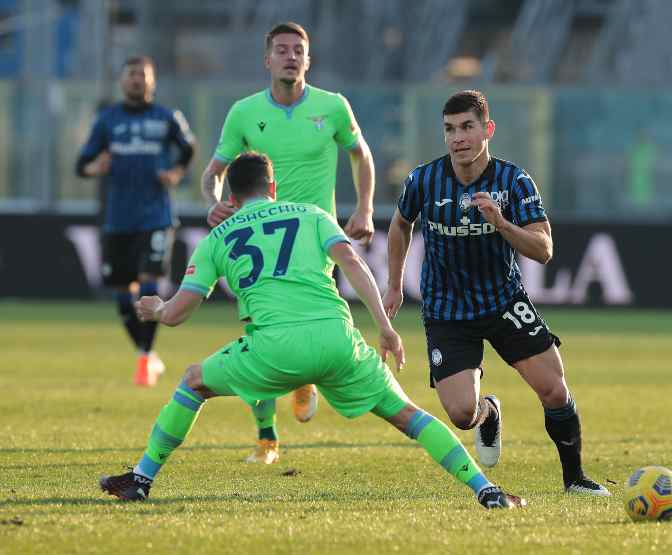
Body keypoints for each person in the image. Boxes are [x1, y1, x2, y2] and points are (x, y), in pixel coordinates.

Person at [99, 152, 525, 510]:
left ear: (231, 196)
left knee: (193, 381)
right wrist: (385, 328)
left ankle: (141, 478)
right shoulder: (311, 214)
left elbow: (177, 314)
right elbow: (354, 264)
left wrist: (156, 310)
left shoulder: (217, 237)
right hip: (338, 342)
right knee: (412, 417)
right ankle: (484, 490)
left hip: (273, 349)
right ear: (272, 188)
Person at [382, 90, 610, 496]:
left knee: (554, 390)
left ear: (487, 129)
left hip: (503, 301)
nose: (458, 138)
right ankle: (488, 413)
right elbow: (400, 224)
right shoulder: (424, 180)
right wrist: (395, 283)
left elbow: (544, 250)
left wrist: (502, 224)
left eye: (467, 127)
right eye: (450, 129)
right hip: (447, 308)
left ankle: (575, 479)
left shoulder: (513, 181)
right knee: (460, 413)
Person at [200, 22, 376, 464]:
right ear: (267, 60)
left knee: (297, 320)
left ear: (308, 60)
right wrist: (215, 202)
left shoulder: (332, 107)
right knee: (259, 329)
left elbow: (362, 154)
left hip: (314, 238)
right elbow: (213, 172)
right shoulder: (243, 113)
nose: (290, 56)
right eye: (282, 50)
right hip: (259, 238)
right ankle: (267, 438)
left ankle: (302, 382)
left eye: (298, 50)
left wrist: (365, 208)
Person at [76, 55, 196, 387]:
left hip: (156, 216)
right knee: (121, 294)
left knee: (148, 283)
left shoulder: (167, 117)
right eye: (131, 75)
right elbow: (81, 164)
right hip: (118, 219)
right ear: (121, 80)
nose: (136, 80)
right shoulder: (107, 120)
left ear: (152, 81)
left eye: (142, 75)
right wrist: (94, 168)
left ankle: (145, 357)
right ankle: (146, 353)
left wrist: (176, 172)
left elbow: (188, 148)